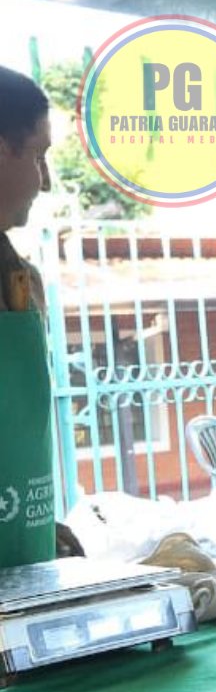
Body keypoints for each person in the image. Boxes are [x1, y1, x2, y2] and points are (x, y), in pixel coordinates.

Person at [0, 66, 80, 563]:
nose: (45, 181)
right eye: (37, 156)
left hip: (23, 565)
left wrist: (39, 523)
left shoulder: (19, 278)